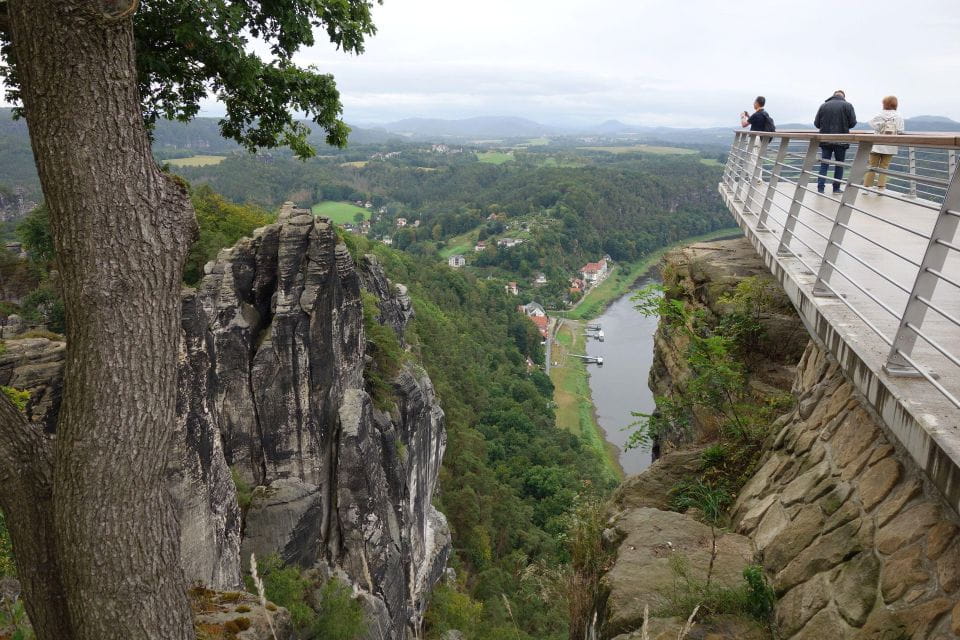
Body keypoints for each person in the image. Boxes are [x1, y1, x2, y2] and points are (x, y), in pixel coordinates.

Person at [814, 90, 858, 193]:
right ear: (843, 97)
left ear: (833, 96)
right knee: (839, 164)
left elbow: (817, 124)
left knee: (824, 164)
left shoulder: (823, 106)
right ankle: (836, 188)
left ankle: (820, 188)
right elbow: (852, 123)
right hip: (841, 140)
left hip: (826, 139)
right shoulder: (848, 106)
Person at [864, 96, 905, 191]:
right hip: (890, 145)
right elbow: (901, 130)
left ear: (884, 104)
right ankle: (881, 187)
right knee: (884, 167)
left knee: (872, 166)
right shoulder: (898, 116)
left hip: (877, 144)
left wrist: (880, 128)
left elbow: (871, 124)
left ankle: (866, 187)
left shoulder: (879, 115)